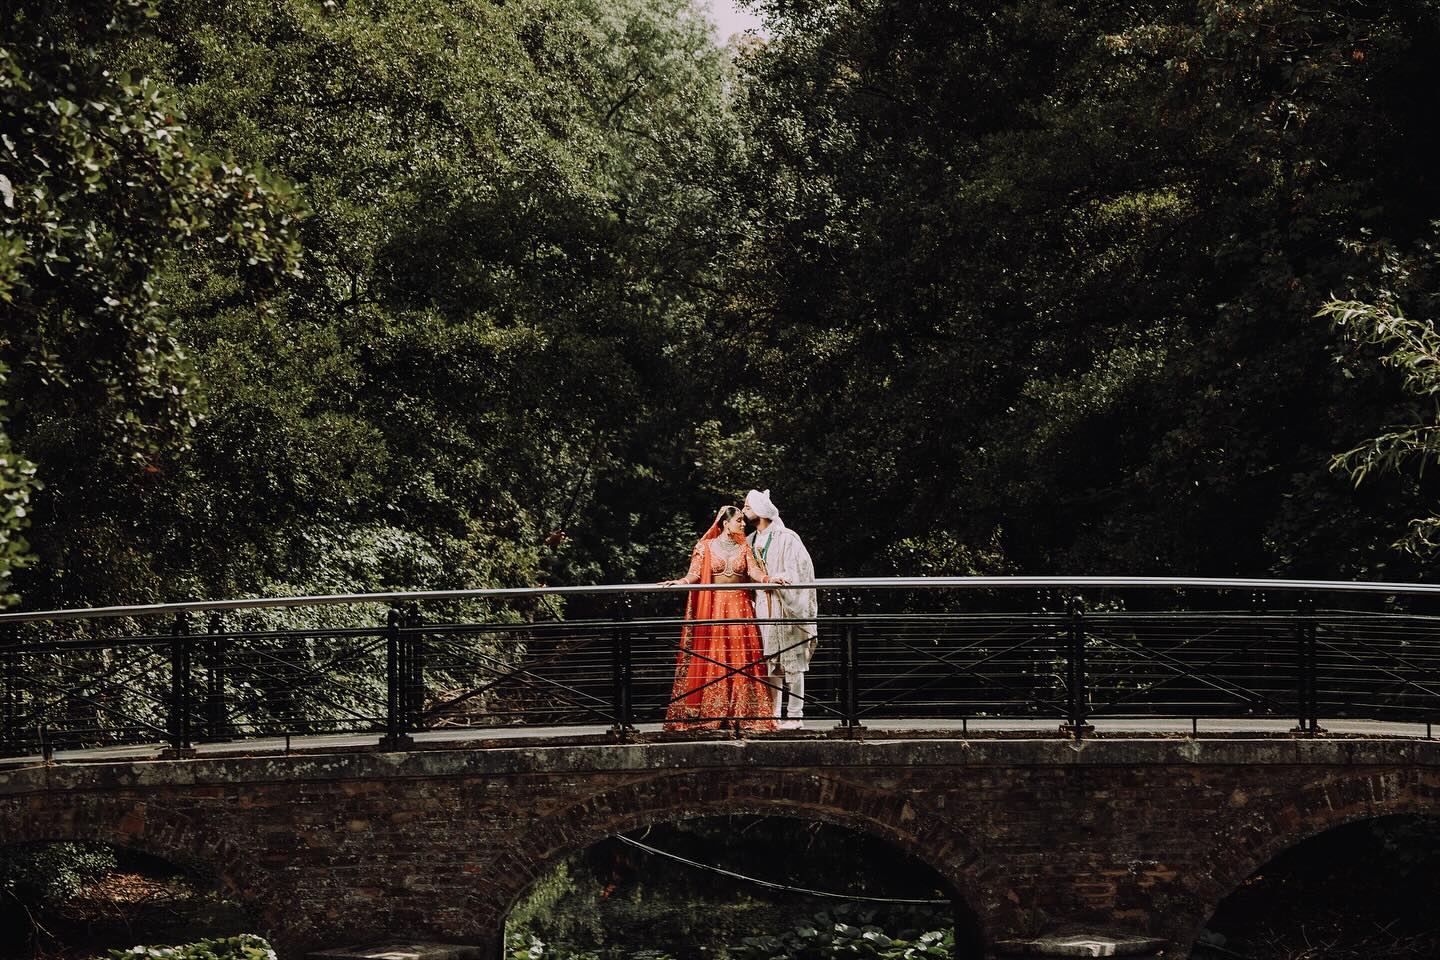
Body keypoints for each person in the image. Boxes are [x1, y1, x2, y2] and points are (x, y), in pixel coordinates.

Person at [660, 505, 777, 733]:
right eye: (739, 520)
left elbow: (753, 572)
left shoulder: (744, 548)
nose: (743, 524)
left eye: (743, 520)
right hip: (715, 608)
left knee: (741, 657)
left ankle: (742, 712)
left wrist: (768, 579)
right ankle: (713, 711)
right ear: (725, 523)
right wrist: (679, 582)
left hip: (741, 608)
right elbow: (694, 574)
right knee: (716, 655)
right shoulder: (704, 547)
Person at [743, 489, 817, 729]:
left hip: (785, 606)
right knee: (770, 663)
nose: (743, 511)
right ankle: (772, 715)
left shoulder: (787, 537)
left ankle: (795, 715)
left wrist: (780, 579)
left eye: (747, 507)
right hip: (762, 608)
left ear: (761, 510)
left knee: (793, 660)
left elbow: (800, 569)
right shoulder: (750, 540)